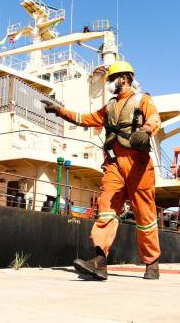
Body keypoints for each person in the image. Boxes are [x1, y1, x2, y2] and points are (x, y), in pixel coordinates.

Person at [40, 60, 162, 280]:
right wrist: (59, 111)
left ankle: (152, 263)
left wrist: (146, 129)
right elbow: (85, 119)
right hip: (114, 164)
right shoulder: (110, 107)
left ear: (123, 79)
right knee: (105, 207)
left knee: (145, 215)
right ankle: (99, 261)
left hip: (139, 165)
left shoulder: (142, 100)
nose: (109, 84)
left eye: (112, 79)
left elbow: (154, 117)